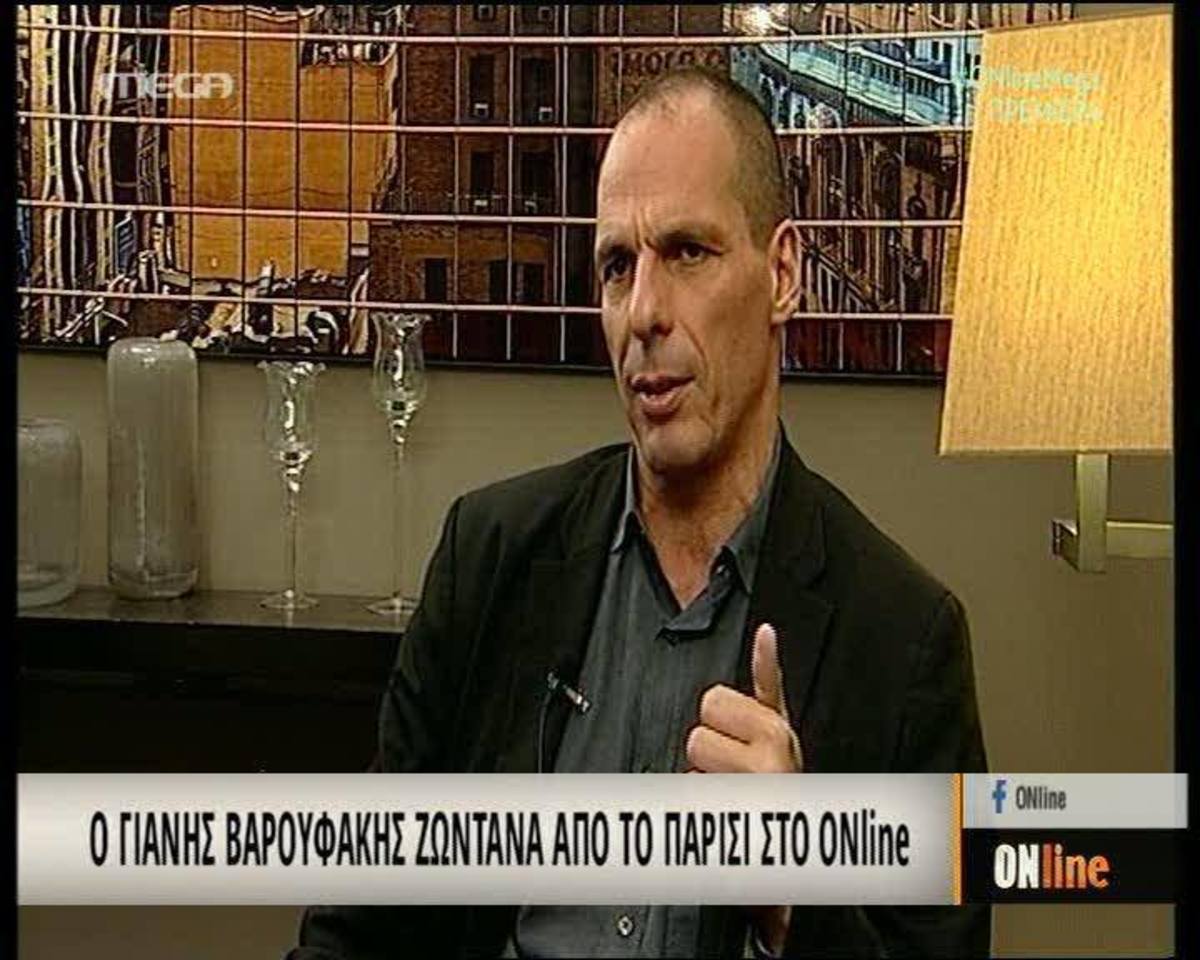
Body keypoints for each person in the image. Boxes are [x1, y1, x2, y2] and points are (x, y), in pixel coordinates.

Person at [289, 66, 988, 959]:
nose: (645, 314)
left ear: (782, 275)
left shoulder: (901, 641)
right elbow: (355, 927)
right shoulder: (489, 558)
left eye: (688, 252)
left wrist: (794, 898)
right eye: (619, 266)